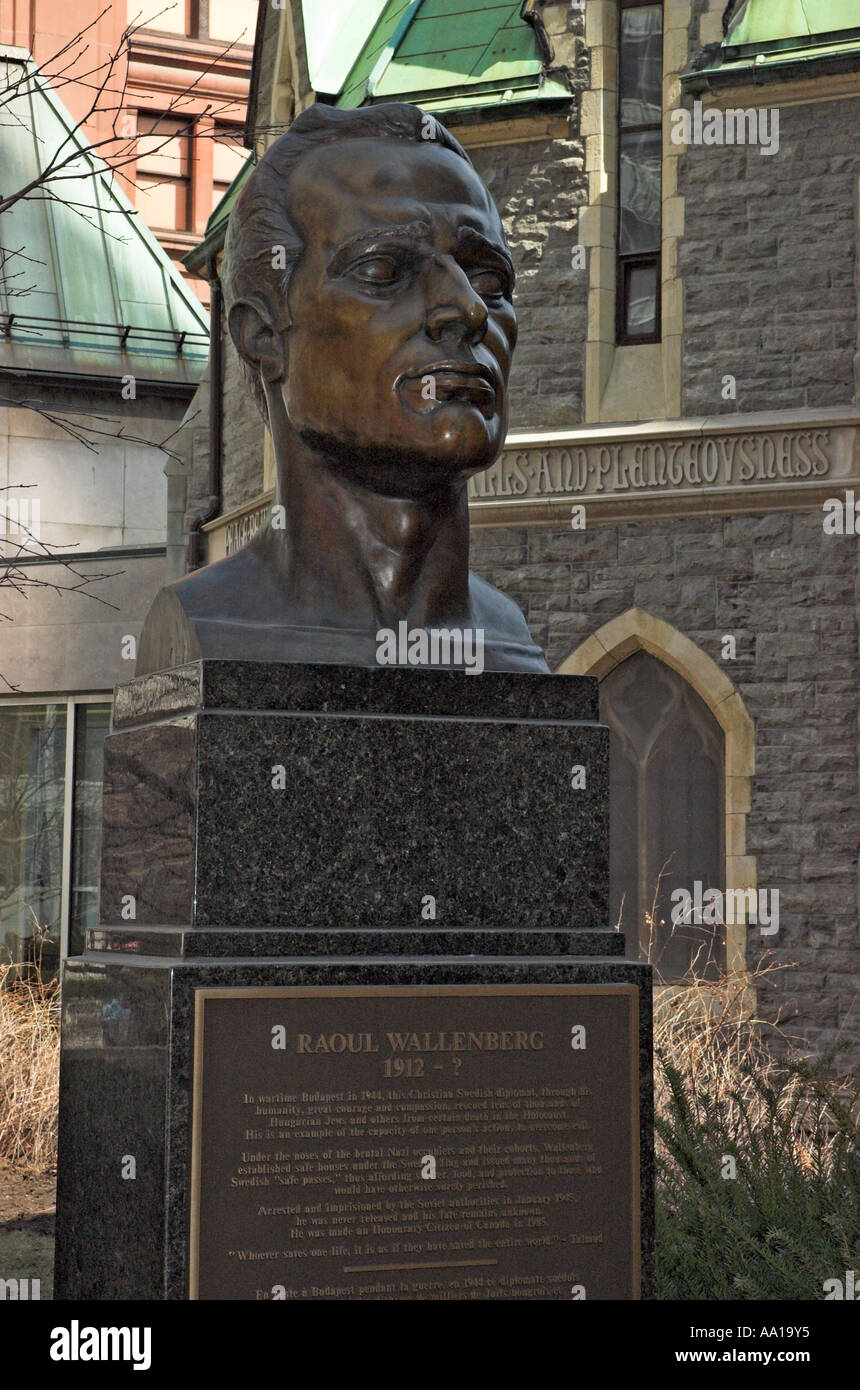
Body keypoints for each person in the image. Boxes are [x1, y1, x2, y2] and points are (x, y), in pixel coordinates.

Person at [135, 102, 548, 675]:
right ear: (263, 337)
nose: (468, 309)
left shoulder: (510, 649)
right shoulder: (209, 627)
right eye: (383, 271)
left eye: (488, 279)